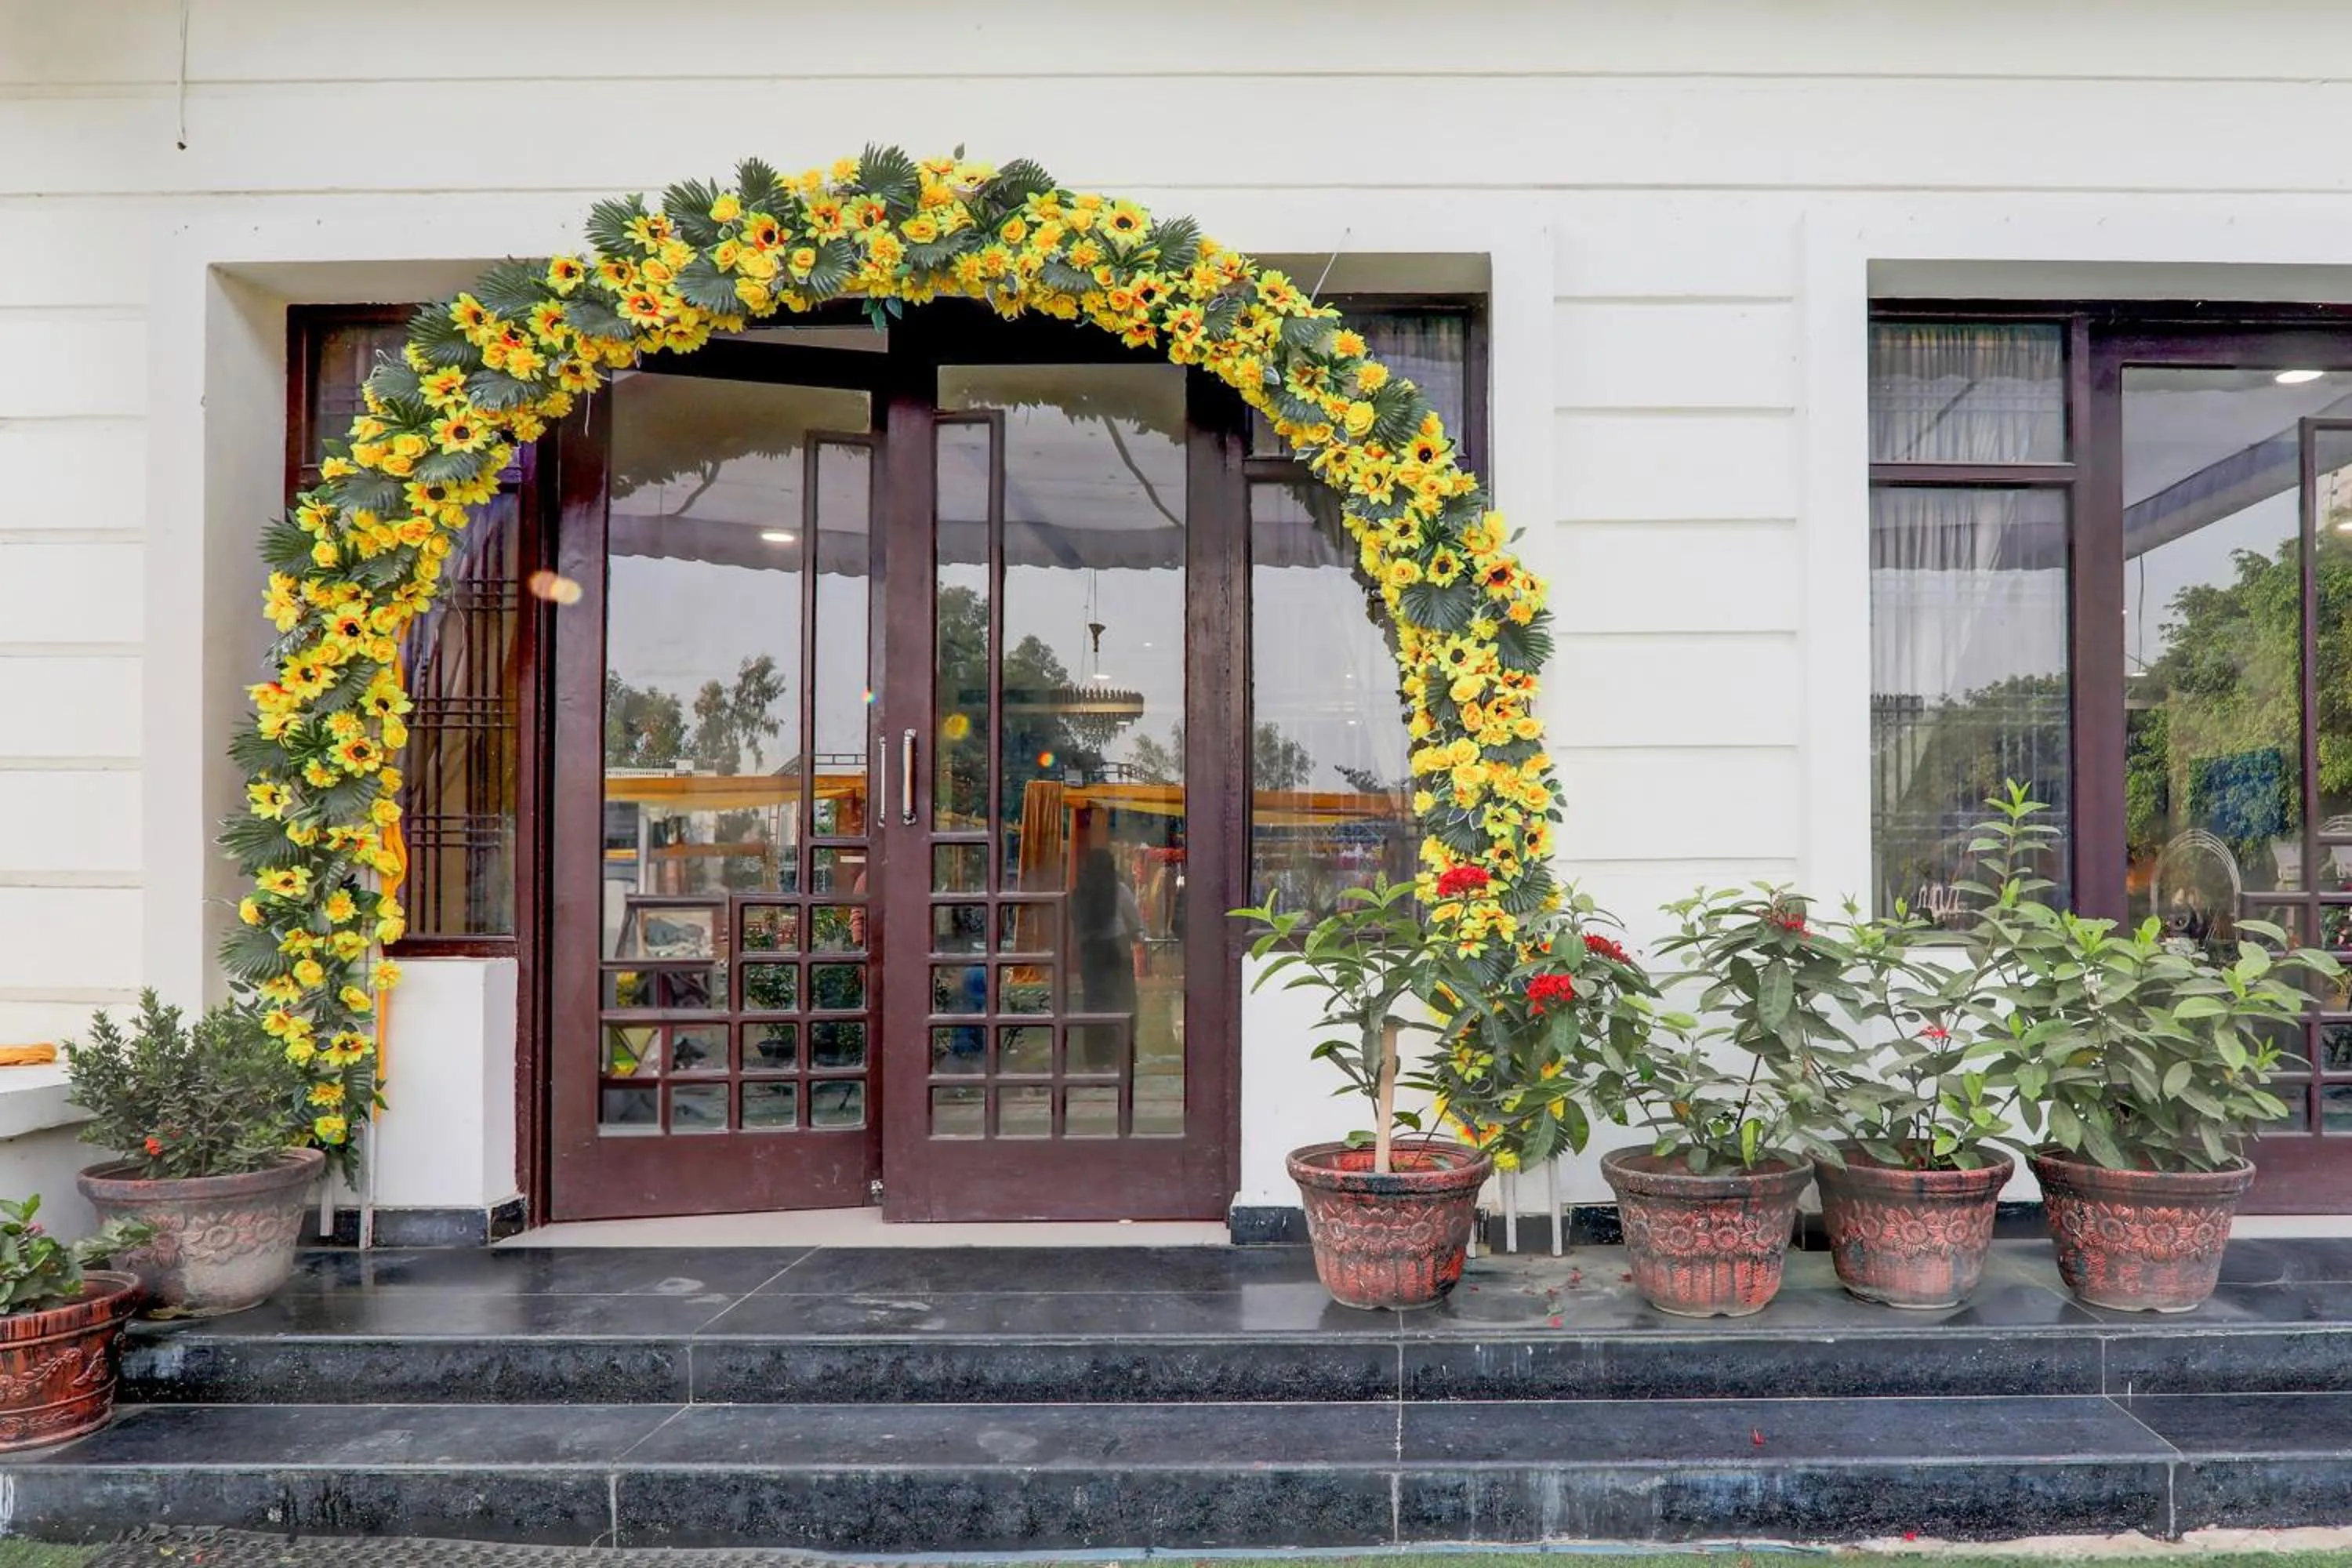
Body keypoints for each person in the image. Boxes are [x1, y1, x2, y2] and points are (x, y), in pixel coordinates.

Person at [1071, 845, 1142, 1018]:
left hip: (1090, 950)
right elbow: (1135, 921)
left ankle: (1096, 1037)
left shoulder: (1079, 893)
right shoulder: (1120, 889)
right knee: (1124, 1000)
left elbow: (1076, 922)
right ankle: (1123, 1039)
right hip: (1117, 947)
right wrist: (1137, 936)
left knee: (1095, 999)